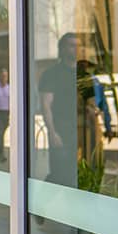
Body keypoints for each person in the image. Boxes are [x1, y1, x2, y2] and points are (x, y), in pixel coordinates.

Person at [39, 33, 78, 187]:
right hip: (60, 131)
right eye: (71, 45)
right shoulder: (51, 74)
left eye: (77, 46)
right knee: (59, 176)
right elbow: (45, 105)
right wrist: (53, 133)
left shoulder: (82, 74)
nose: (75, 49)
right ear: (62, 49)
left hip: (81, 132)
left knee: (76, 176)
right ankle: (39, 205)